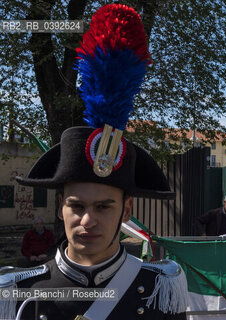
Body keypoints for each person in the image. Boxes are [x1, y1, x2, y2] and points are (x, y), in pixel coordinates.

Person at [0, 4, 187, 320]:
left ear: (126, 210)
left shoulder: (157, 289)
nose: (87, 221)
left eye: (103, 207)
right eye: (77, 206)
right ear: (60, 205)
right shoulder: (16, 294)